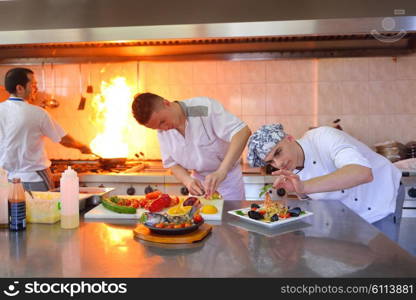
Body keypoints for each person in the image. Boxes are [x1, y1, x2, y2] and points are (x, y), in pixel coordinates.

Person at [247, 124, 402, 241]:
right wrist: (300, 191)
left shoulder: (324, 137)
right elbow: (318, 195)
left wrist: (304, 186)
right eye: (271, 162)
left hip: (379, 196)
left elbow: (362, 173)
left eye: (278, 152)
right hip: (346, 214)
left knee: (383, 267)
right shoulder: (290, 166)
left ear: (290, 138)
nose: (279, 163)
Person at [131, 92, 251, 200]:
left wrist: (222, 171)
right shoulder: (162, 131)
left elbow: (242, 132)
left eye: (162, 121)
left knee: (230, 222)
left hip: (228, 179)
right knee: (198, 223)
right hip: (198, 184)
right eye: (157, 127)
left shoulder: (204, 108)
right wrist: (188, 181)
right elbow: (171, 163)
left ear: (166, 103)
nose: (164, 128)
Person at [0, 67, 92, 191]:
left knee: (12, 211)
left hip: (6, 181)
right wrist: (82, 147)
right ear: (19, 88)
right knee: (41, 210)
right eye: (33, 85)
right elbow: (64, 140)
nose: (36, 89)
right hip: (34, 180)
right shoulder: (37, 113)